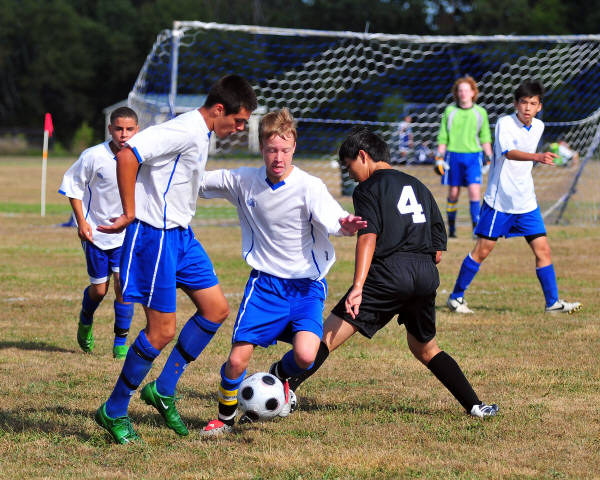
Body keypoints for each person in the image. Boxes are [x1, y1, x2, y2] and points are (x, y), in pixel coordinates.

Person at [287, 127, 498, 419]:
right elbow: (438, 250)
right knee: (425, 348)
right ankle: (476, 405)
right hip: (425, 274)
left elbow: (368, 236)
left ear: (363, 156)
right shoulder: (418, 185)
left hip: (388, 275)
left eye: (349, 166)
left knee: (326, 337)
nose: (350, 175)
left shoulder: (368, 189)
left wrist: (358, 286)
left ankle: (280, 388)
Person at [93, 74, 258, 444]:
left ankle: (163, 389)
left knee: (215, 309)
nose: (240, 128)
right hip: (155, 236)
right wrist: (130, 211)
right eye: (239, 120)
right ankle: (114, 409)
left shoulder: (202, 134)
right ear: (219, 109)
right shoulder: (183, 130)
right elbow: (127, 154)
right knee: (162, 331)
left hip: (181, 236)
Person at [198, 108, 367, 436]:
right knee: (236, 361)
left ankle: (278, 374)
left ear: (294, 147)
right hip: (265, 287)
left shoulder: (309, 186)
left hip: (306, 289)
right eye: (272, 150)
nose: (278, 157)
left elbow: (334, 217)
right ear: (261, 148)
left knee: (306, 356)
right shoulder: (243, 180)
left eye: (285, 150)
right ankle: (225, 419)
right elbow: (199, 182)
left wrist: (345, 225)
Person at [447, 80, 582, 315]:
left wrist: (541, 157)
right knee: (482, 250)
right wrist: (537, 157)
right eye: (523, 102)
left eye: (533, 103)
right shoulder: (505, 123)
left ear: (539, 106)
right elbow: (508, 153)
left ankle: (552, 303)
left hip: (526, 202)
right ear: (515, 104)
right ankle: (456, 297)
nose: (527, 107)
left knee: (543, 250)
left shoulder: (538, 126)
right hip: (500, 202)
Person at [58, 107, 139, 359]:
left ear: (137, 130)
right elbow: (73, 186)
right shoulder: (93, 156)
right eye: (119, 129)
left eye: (129, 129)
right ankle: (86, 318)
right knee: (100, 290)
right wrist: (81, 222)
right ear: (110, 129)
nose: (124, 134)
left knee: (123, 286)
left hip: (125, 234)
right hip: (96, 233)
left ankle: (120, 343)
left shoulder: (142, 157)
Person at [435, 76, 492, 238]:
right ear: (456, 93)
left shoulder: (480, 112)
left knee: (475, 192)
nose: (463, 93)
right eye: (460, 90)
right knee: (453, 193)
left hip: (474, 157)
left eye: (467, 90)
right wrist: (439, 157)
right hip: (453, 156)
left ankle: (476, 230)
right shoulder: (450, 111)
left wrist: (489, 157)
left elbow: (485, 137)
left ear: (473, 92)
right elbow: (443, 136)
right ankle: (451, 229)